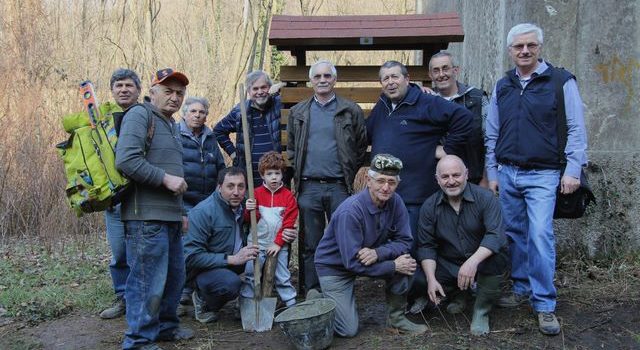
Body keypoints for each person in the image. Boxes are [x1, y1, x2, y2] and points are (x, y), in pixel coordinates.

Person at [485, 23, 588, 336]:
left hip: (544, 174)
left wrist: (572, 170)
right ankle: (520, 287)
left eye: (530, 45)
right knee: (514, 233)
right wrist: (492, 172)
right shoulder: (503, 85)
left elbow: (576, 129)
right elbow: (492, 131)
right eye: (518, 47)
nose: (525, 51)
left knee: (540, 235)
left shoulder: (560, 82)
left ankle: (544, 304)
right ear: (510, 50)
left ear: (539, 47)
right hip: (507, 172)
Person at [115, 68, 193, 348]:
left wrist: (181, 211)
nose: (174, 97)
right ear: (153, 91)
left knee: (174, 278)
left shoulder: (171, 124)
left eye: (180, 93)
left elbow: (176, 171)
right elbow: (126, 160)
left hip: (170, 216)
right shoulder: (140, 115)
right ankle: (138, 341)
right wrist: (164, 179)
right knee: (147, 281)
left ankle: (165, 328)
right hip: (145, 218)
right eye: (168, 91)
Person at [314, 154, 427, 337]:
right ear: (368, 180)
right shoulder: (350, 211)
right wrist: (392, 265)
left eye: (391, 182)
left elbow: (405, 240)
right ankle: (319, 300)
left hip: (369, 257)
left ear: (397, 183)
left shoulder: (396, 201)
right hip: (335, 267)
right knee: (347, 330)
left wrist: (379, 253)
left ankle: (396, 320)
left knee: (406, 262)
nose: (386, 187)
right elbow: (352, 263)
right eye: (380, 180)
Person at [367, 60, 473, 241]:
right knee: (388, 247)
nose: (390, 82)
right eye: (385, 79)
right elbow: (368, 132)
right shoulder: (383, 105)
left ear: (407, 79)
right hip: (386, 193)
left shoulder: (426, 102)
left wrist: (448, 149)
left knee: (411, 247)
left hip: (414, 197)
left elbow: (464, 118)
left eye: (395, 76)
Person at [287, 60, 368, 296]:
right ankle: (311, 290)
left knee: (342, 240)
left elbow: (360, 145)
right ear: (311, 81)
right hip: (309, 187)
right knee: (310, 243)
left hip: (339, 188)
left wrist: (349, 171)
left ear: (334, 80)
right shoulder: (299, 112)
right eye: (317, 76)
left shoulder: (349, 110)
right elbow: (292, 148)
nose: (322, 80)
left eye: (327, 76)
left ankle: (340, 288)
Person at [183, 167, 298, 323]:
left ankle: (248, 301)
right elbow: (190, 257)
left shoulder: (247, 207)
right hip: (208, 269)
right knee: (230, 283)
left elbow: (268, 225)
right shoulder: (203, 212)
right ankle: (204, 300)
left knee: (262, 260)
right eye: (230, 186)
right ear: (219, 187)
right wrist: (232, 259)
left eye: (241, 186)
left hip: (238, 261)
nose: (236, 192)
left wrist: (286, 234)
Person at [416, 155, 508, 336]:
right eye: (445, 177)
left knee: (498, 257)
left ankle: (481, 310)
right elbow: (426, 245)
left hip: (481, 261)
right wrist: (431, 278)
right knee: (417, 277)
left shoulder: (486, 198)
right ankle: (459, 294)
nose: (451, 181)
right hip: (449, 263)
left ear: (466, 174)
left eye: (456, 175)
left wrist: (472, 262)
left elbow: (496, 235)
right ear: (437, 179)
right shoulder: (429, 206)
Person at [100, 68, 142, 320]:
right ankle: (123, 298)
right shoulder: (103, 121)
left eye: (129, 85)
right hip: (113, 202)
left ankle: (141, 300)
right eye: (119, 86)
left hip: (139, 199)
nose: (124, 90)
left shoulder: (145, 116)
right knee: (119, 253)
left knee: (140, 253)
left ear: (138, 90)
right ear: (113, 90)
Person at [177, 96, 226, 310]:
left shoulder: (210, 137)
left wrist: (221, 187)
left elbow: (221, 166)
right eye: (194, 111)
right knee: (188, 248)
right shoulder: (175, 135)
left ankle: (198, 289)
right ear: (184, 113)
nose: (198, 115)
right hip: (185, 201)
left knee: (208, 245)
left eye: (202, 112)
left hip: (208, 202)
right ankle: (183, 291)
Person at [241, 151, 298, 307]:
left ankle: (290, 303)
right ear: (262, 175)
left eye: (277, 173)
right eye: (269, 173)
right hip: (257, 243)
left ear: (282, 174)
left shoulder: (288, 196)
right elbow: (248, 220)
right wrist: (249, 209)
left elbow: (288, 223)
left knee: (282, 275)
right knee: (252, 273)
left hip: (278, 245)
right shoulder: (256, 194)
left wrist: (278, 243)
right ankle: (246, 303)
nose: (274, 177)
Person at [428, 51, 490, 187]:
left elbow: (489, 141)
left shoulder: (478, 98)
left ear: (456, 70)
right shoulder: (425, 102)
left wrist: (487, 177)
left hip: (473, 179)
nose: (441, 74)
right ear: (430, 75)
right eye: (436, 70)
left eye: (445, 68)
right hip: (435, 183)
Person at [213, 70, 283, 188]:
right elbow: (219, 130)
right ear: (249, 91)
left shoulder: (278, 104)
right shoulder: (241, 111)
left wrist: (282, 85)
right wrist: (234, 154)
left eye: (263, 87)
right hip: (250, 177)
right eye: (255, 89)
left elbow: (300, 90)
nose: (260, 92)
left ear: (270, 88)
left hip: (276, 175)